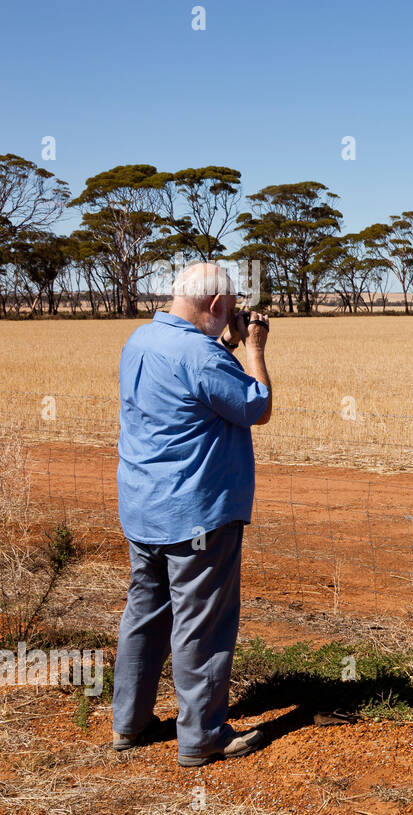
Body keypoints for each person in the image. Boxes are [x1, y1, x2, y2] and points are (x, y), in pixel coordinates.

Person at [111, 262, 272, 767]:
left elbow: (191, 387)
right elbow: (256, 405)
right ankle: (202, 737)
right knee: (202, 622)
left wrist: (222, 347)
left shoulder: (140, 339)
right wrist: (254, 347)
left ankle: (130, 724)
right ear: (217, 306)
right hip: (196, 513)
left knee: (145, 614)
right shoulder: (203, 355)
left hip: (142, 507)